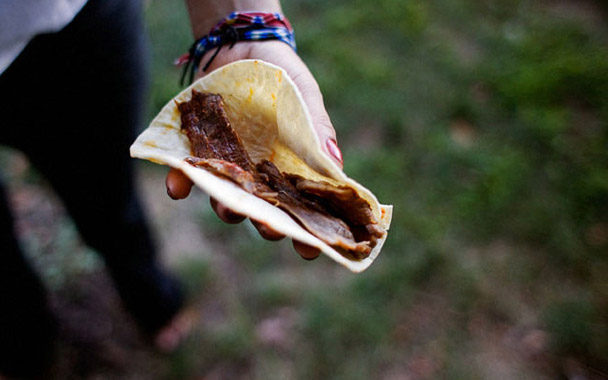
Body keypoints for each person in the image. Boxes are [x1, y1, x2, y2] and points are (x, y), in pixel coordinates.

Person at [0, 0, 342, 378]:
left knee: (107, 196)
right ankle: (22, 338)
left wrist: (239, 19)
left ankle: (148, 296)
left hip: (73, 24)